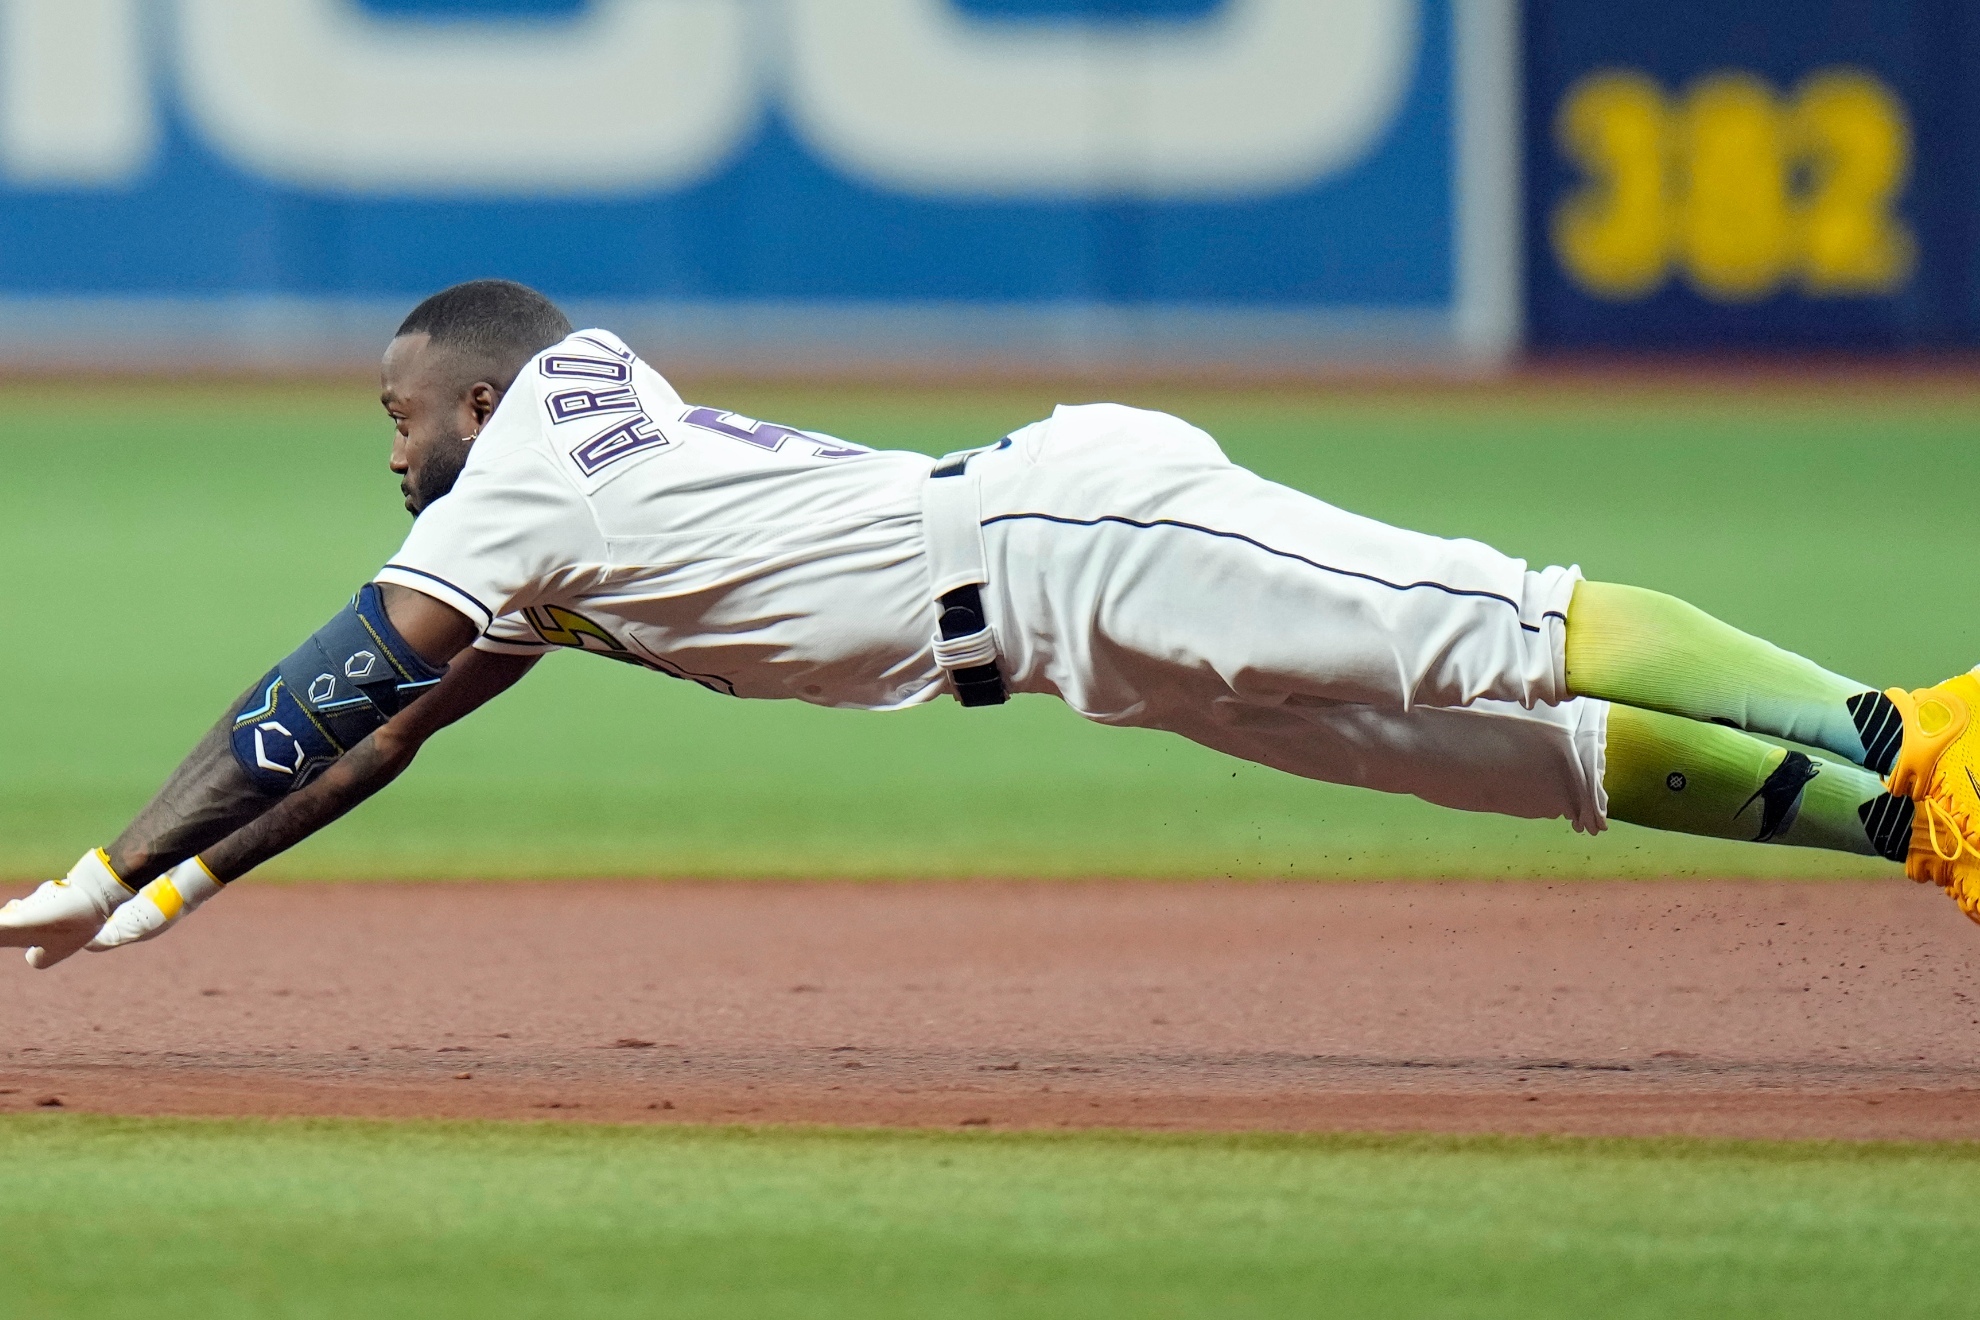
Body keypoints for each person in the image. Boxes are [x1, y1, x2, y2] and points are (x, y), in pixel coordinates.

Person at [5, 280, 1978, 968]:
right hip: (1064, 628)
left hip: (1075, 534)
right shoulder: (561, 503)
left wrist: (109, 850)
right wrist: (165, 898)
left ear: (477, 385)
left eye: (397, 410)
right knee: (1493, 748)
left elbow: (323, 681)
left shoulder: (531, 454)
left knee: (1496, 626)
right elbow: (389, 731)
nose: (392, 447)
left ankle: (1906, 728)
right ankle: (1916, 829)